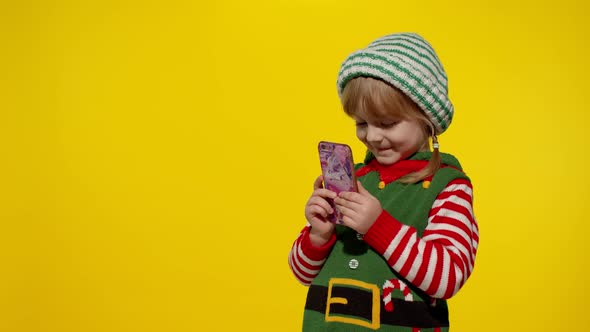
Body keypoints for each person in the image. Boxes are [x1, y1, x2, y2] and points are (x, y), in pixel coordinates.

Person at [288, 32, 479, 331]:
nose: (372, 136)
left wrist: (378, 226)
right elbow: (302, 274)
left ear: (427, 119)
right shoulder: (356, 180)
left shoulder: (447, 186)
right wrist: (319, 236)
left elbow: (448, 277)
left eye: (387, 123)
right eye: (361, 123)